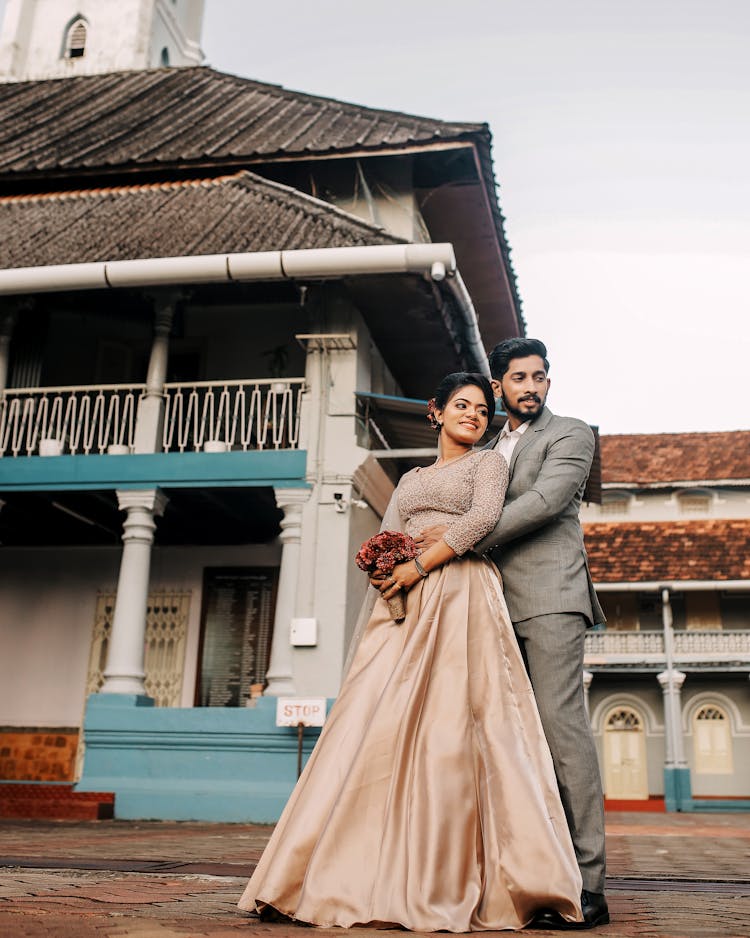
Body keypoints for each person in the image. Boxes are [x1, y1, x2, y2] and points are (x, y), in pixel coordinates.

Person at [238, 371, 584, 932]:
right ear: (435, 412)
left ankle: (450, 876)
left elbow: (482, 519)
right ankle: (340, 871)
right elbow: (389, 530)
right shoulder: (411, 478)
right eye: (461, 406)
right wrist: (384, 571)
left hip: (461, 592)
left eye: (479, 408)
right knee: (375, 723)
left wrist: (419, 564)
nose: (472, 415)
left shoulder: (489, 464)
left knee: (456, 725)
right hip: (403, 601)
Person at [418, 339, 608, 930]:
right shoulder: (488, 444)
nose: (531, 387)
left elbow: (548, 502)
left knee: (560, 733)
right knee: (507, 743)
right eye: (519, 378)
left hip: (550, 601)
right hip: (488, 606)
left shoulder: (572, 433)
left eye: (540, 376)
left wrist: (455, 539)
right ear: (498, 386)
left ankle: (588, 885)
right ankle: (529, 877)